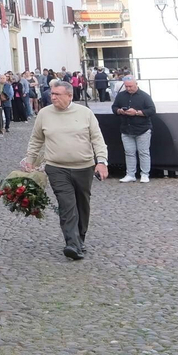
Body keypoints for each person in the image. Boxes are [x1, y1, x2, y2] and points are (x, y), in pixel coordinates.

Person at [22, 81, 109, 260]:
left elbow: (97, 139)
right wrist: (30, 159)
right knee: (66, 204)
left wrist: (101, 161)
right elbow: (36, 139)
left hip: (83, 167)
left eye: (57, 94)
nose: (52, 97)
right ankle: (72, 243)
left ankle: (80, 238)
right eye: (51, 94)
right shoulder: (44, 114)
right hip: (56, 167)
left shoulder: (85, 113)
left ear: (69, 96)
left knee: (82, 204)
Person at [111, 75, 158, 183]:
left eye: (130, 86)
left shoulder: (145, 96)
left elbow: (152, 110)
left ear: (136, 84)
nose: (128, 88)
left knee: (143, 152)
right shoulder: (121, 96)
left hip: (143, 129)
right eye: (126, 86)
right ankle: (130, 174)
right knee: (129, 152)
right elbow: (114, 107)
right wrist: (119, 111)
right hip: (126, 129)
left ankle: (145, 174)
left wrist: (136, 113)